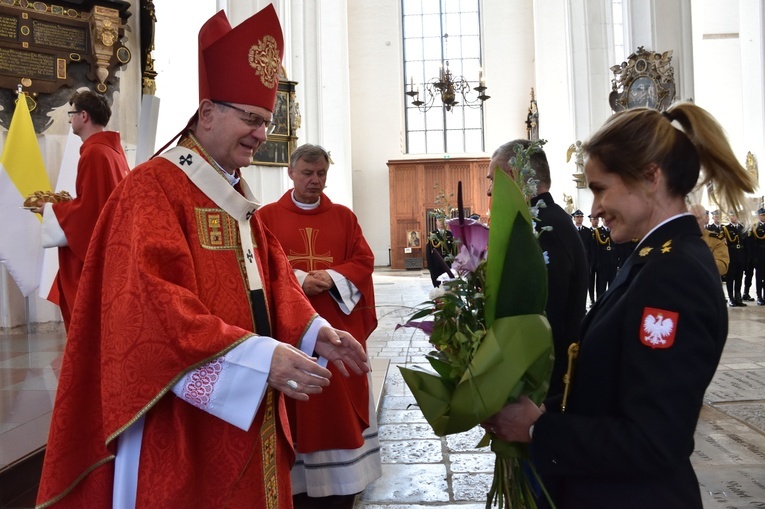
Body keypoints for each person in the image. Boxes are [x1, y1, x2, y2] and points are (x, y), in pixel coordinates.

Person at [36, 7, 369, 508]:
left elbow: (273, 276)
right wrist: (258, 358)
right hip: (180, 419)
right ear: (208, 113)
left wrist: (314, 331)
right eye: (252, 119)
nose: (262, 133)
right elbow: (152, 307)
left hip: (254, 407)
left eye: (267, 121)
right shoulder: (153, 189)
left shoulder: (232, 195)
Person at [482, 103, 756, 508]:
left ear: (650, 176)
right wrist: (547, 410)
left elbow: (655, 440)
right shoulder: (653, 258)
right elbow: (609, 385)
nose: (593, 209)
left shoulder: (674, 275)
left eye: (600, 188)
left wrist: (540, 431)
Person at [258, 144, 381, 508]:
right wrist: (297, 278)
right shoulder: (264, 217)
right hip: (288, 333)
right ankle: (294, 485)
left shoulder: (344, 218)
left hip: (338, 329)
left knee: (336, 407)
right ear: (291, 173)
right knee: (296, 410)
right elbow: (258, 266)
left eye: (321, 174)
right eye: (307, 173)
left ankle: (343, 483)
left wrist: (329, 277)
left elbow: (363, 260)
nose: (315, 181)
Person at [487, 139, 588, 397]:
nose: (489, 191)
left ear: (513, 175)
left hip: (543, 378)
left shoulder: (543, 227)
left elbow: (546, 310)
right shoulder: (546, 220)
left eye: (492, 179)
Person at [31, 90, 130, 330]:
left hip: (98, 252)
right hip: (114, 246)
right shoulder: (113, 151)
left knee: (86, 316)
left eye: (71, 114)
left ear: (83, 116)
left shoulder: (95, 153)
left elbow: (90, 212)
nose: (68, 119)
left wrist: (51, 211)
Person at [690, 203, 729, 277]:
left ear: (705, 218)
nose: (695, 221)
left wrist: (696, 263)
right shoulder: (679, 239)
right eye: (692, 218)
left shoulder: (716, 240)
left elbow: (722, 266)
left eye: (698, 218)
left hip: (707, 284)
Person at [722, 210, 748, 306]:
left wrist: (746, 259)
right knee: (730, 277)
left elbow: (745, 245)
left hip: (740, 256)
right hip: (731, 256)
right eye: (732, 215)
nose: (734, 217)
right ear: (729, 217)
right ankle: (731, 298)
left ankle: (738, 297)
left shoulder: (742, 228)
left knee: (739, 277)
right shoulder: (726, 229)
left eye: (735, 216)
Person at [425, 216, 454, 287]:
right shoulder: (432, 234)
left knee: (449, 285)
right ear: (436, 222)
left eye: (443, 221)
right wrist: (430, 266)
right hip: (436, 264)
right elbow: (428, 251)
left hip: (448, 264)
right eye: (439, 220)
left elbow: (454, 250)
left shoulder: (450, 234)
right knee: (437, 285)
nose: (441, 223)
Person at [592, 218, 618, 298]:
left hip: (613, 262)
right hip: (602, 263)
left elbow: (619, 247)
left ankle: (611, 302)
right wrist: (597, 262)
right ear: (602, 220)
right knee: (601, 285)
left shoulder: (615, 230)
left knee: (612, 284)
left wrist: (619, 260)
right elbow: (595, 249)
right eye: (605, 219)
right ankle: (600, 303)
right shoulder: (597, 231)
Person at [751, 207, 765, 305]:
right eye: (762, 215)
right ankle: (759, 296)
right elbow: (753, 243)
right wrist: (754, 257)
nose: (763, 217)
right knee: (759, 276)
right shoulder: (755, 227)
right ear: (758, 216)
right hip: (759, 254)